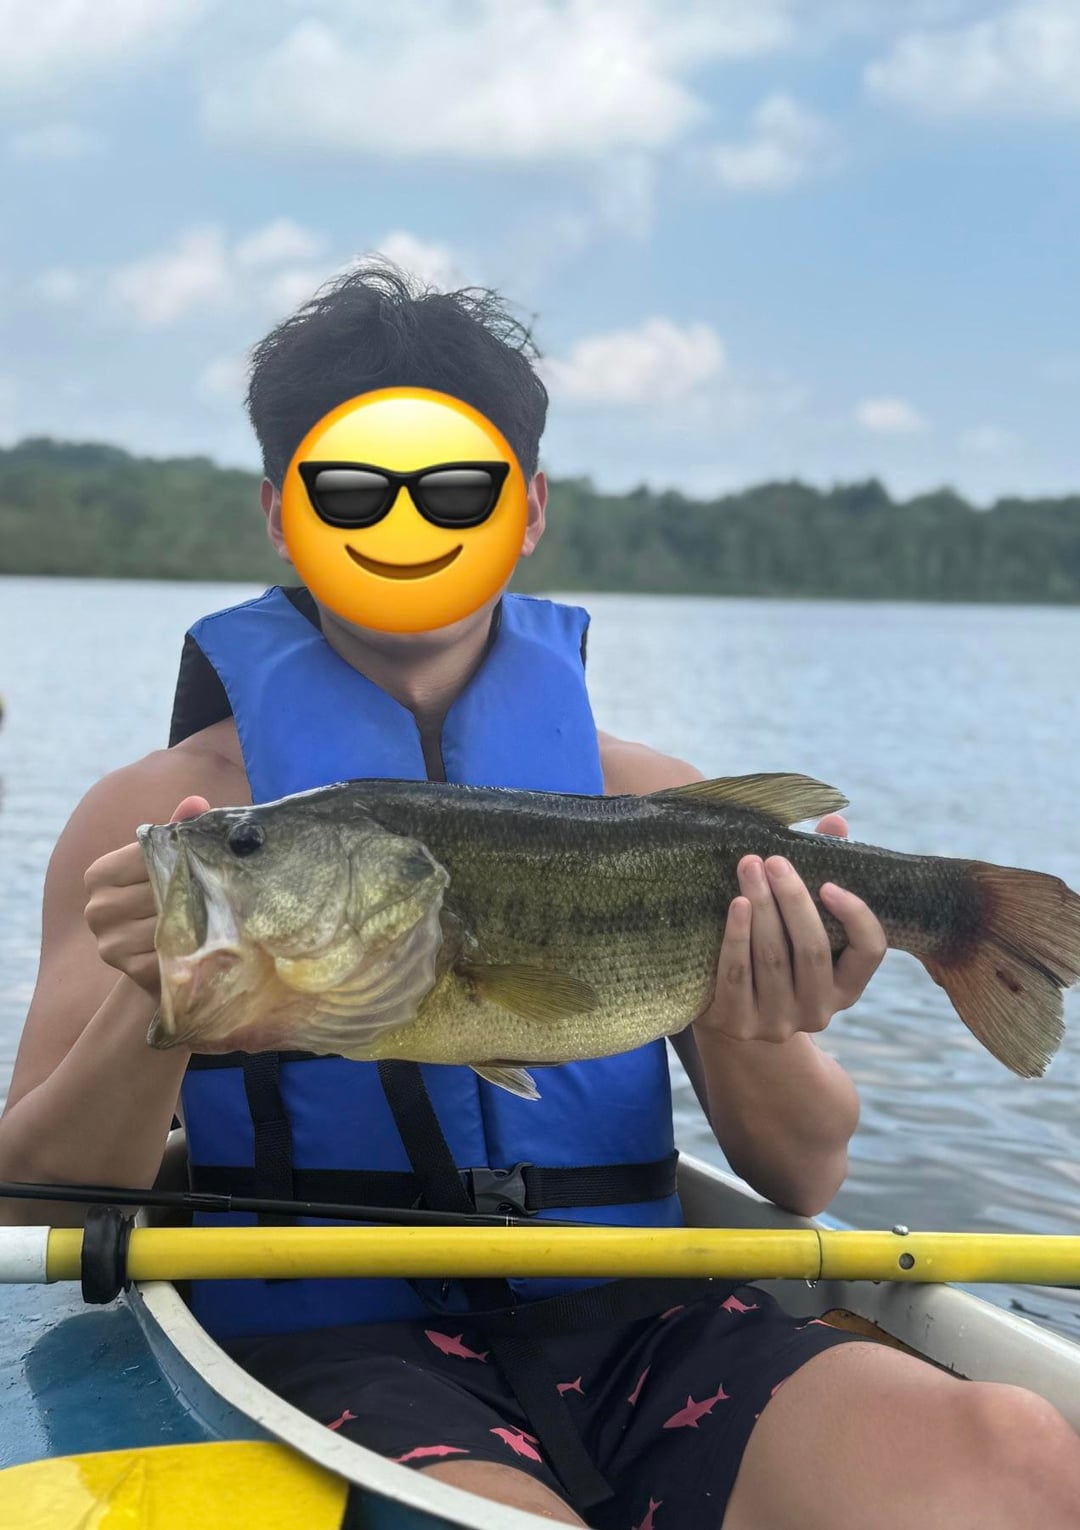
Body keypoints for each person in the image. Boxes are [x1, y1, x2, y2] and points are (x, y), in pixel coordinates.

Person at [2, 265, 1077, 1530]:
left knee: (1016, 1455)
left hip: (637, 1319)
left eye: (459, 489)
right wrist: (159, 1004)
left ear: (528, 510)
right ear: (285, 516)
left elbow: (799, 1174)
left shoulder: (651, 799)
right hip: (321, 1332)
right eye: (352, 491)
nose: (408, 521)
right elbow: (33, 1202)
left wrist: (757, 1022)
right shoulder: (165, 824)